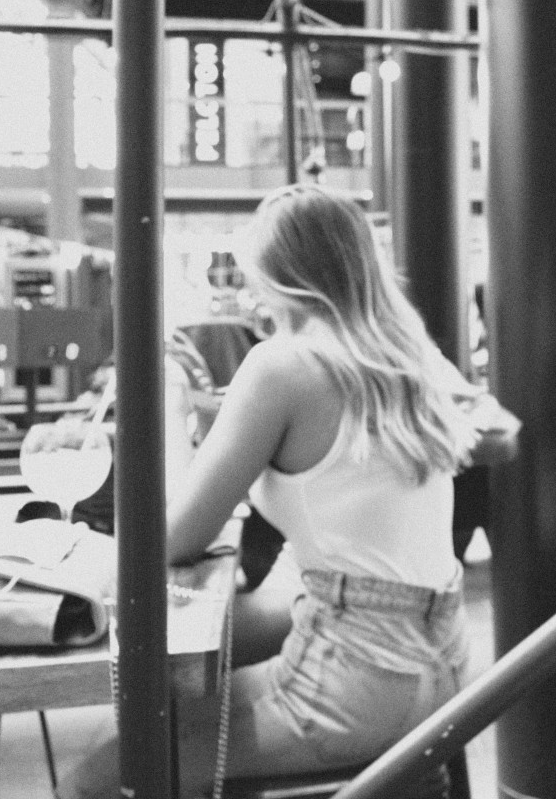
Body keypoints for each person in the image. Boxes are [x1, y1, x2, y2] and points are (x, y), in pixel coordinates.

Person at [69, 184, 485, 794]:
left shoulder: (284, 364)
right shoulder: (408, 358)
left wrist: (172, 398)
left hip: (356, 678)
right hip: (442, 662)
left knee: (102, 773)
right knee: (163, 719)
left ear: (277, 274)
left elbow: (174, 537)